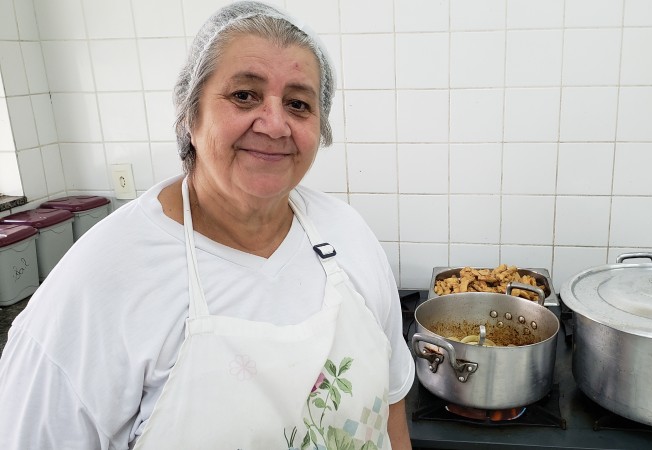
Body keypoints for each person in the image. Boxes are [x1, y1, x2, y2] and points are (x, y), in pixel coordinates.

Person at [0, 2, 415, 449]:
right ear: (190, 115)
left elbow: (391, 407)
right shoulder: (95, 286)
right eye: (244, 95)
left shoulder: (348, 235)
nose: (275, 124)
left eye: (298, 104)